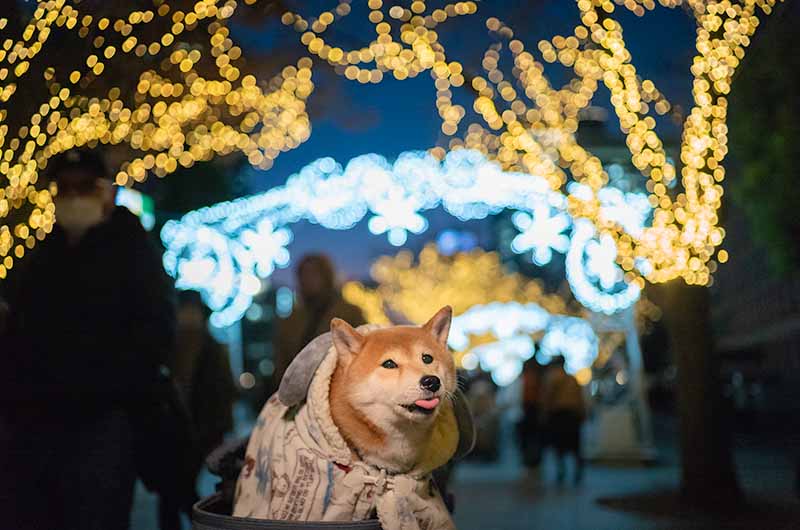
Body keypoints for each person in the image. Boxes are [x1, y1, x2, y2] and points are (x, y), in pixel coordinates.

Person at [0, 149, 176, 530]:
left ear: (104, 192)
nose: (74, 196)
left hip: (103, 419)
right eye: (65, 188)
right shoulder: (44, 255)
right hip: (36, 422)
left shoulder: (130, 249)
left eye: (84, 187)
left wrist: (112, 384)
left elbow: (156, 329)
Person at [159, 290, 236, 530]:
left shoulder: (212, 349)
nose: (188, 318)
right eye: (185, 312)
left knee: (181, 490)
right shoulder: (167, 348)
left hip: (204, 432)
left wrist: (216, 428)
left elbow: (224, 391)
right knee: (173, 493)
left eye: (192, 312)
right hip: (175, 433)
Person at [273, 254, 365, 387]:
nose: (307, 280)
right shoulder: (291, 320)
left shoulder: (349, 313)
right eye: (303, 275)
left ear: (326, 277)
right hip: (299, 391)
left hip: (339, 387)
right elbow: (283, 361)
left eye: (313, 274)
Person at [541, 355, 586, 484]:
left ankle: (562, 472)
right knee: (575, 445)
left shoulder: (552, 378)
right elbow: (580, 398)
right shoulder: (572, 379)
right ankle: (577, 471)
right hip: (573, 414)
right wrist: (582, 413)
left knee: (559, 445)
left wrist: (544, 414)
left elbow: (547, 398)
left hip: (558, 415)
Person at [518, 357, 544, 468]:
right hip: (532, 409)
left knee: (529, 438)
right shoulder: (538, 377)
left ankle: (530, 461)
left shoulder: (526, 379)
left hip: (529, 409)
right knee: (533, 438)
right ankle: (532, 461)